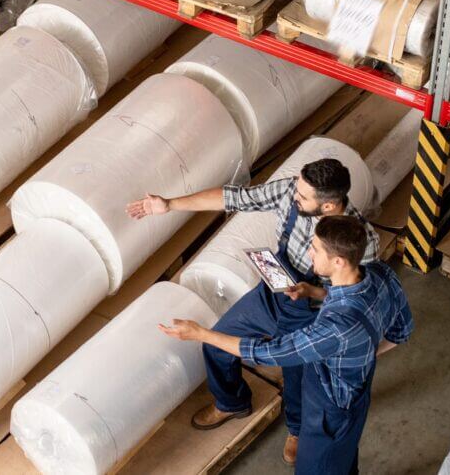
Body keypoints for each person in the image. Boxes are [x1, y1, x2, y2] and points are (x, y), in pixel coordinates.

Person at [126, 159, 381, 463]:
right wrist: (168, 205)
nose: (293, 197)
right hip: (274, 290)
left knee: (298, 378)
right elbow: (234, 197)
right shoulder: (292, 190)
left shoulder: (360, 243)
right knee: (218, 343)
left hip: (314, 311)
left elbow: (355, 299)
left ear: (328, 207)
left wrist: (313, 292)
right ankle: (231, 402)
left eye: (302, 197)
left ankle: (297, 429)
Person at [159, 216, 413, 473]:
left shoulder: (335, 329)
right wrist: (317, 296)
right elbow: (401, 331)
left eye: (315, 248)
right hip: (356, 396)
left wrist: (200, 333)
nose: (309, 252)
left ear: (338, 261)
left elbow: (268, 352)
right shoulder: (381, 274)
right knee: (344, 461)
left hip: (330, 415)